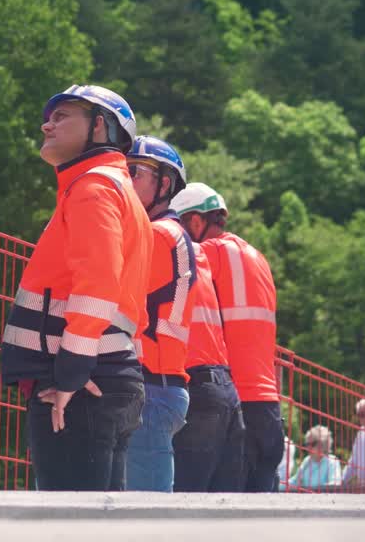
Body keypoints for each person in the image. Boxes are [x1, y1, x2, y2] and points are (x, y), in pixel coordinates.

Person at [0, 85, 152, 491]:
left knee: (67, 524)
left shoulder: (93, 188)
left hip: (79, 385)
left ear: (99, 126)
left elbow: (98, 285)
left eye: (62, 115)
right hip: (107, 376)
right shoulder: (114, 190)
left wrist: (71, 372)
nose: (46, 123)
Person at [184, 184, 282, 492]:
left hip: (234, 404)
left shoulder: (203, 254)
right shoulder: (258, 258)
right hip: (268, 405)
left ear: (197, 223)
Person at [123, 137, 194, 492]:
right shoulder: (172, 233)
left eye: (134, 171)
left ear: (165, 184)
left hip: (151, 386)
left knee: (144, 519)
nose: (124, 178)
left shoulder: (155, 234)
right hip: (161, 385)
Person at [169, 182, 246, 492]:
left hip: (197, 387)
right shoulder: (239, 255)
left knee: (187, 499)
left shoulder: (192, 253)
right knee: (223, 504)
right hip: (228, 390)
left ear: (196, 222)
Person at [289, 425, 342, 490]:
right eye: (307, 444)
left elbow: (334, 484)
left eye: (312, 444)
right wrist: (277, 484)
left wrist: (313, 490)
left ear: (323, 444)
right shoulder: (307, 460)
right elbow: (294, 481)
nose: (308, 447)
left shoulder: (332, 461)